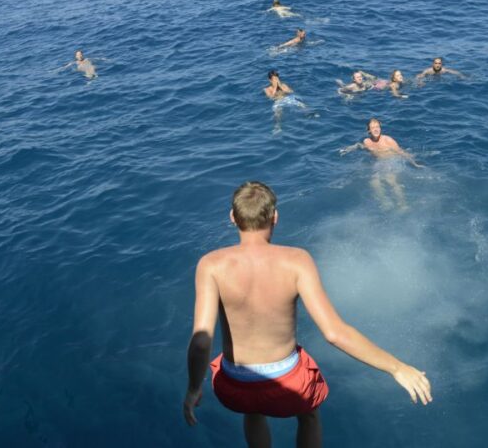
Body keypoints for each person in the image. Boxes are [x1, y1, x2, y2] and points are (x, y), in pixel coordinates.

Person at [183, 182, 432, 447]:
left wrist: (193, 389)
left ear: (233, 217)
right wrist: (396, 367)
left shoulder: (210, 265)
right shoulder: (296, 261)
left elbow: (201, 342)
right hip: (289, 382)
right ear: (275, 216)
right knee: (309, 415)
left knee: (252, 412)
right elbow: (335, 333)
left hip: (235, 383)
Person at [340, 118, 424, 210]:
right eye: (373, 127)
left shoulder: (388, 140)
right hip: (379, 163)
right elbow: (360, 145)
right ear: (369, 130)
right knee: (374, 182)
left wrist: (415, 164)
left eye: (377, 127)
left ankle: (403, 204)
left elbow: (402, 152)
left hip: (392, 161)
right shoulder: (367, 141)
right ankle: (385, 202)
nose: (376, 129)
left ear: (380, 128)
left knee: (390, 180)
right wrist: (350, 148)